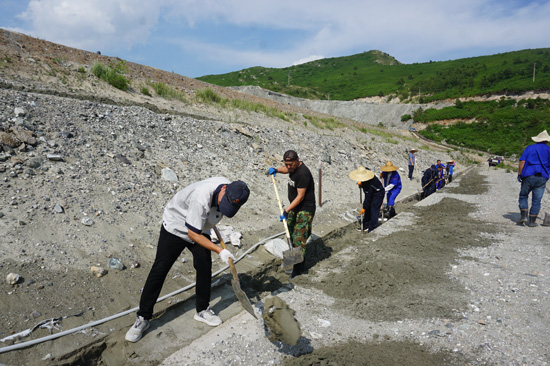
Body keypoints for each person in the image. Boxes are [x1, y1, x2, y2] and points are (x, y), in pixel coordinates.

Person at [125, 178, 250, 343]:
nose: (224, 207)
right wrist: (220, 250)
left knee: (204, 266)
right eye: (224, 202)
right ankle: (143, 317)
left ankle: (202, 310)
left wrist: (211, 221)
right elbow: (192, 234)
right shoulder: (201, 197)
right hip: (176, 225)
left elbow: (202, 224)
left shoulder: (233, 189)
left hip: (201, 225)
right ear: (223, 189)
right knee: (161, 268)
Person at [267, 150, 315, 277]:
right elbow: (286, 170)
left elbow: (300, 197)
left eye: (291, 164)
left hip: (305, 209)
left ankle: (298, 270)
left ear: (298, 160)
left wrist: (286, 210)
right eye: (286, 164)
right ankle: (293, 261)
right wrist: (276, 170)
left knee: (299, 238)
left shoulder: (303, 174)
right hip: (295, 208)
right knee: (290, 232)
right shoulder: (292, 168)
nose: (288, 167)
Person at [517, 130, 550, 227]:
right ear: (546, 141)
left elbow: (522, 162)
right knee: (536, 200)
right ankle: (532, 222)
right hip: (542, 178)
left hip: (528, 175)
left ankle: (523, 216)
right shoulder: (549, 150)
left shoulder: (530, 148)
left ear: (537, 140)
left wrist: (520, 174)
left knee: (523, 196)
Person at [350, 166, 384, 232]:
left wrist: (364, 208)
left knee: (374, 210)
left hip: (378, 194)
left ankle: (372, 229)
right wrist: (361, 184)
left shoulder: (370, 184)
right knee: (368, 209)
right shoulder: (366, 172)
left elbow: (368, 198)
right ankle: (365, 226)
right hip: (372, 191)